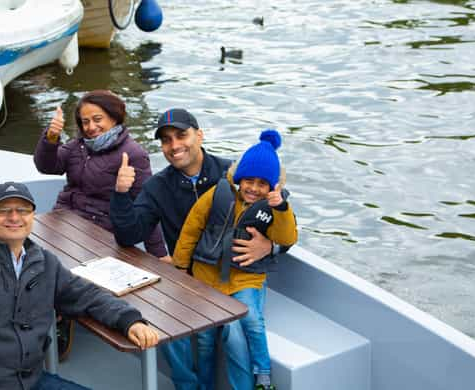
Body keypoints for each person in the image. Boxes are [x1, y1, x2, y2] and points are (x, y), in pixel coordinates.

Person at [110, 109, 286, 389]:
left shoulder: (235, 175)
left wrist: (271, 246)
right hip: (188, 278)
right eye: (166, 140)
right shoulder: (157, 186)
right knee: (162, 320)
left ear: (199, 135)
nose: (175, 145)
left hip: (237, 275)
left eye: (182, 135)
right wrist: (121, 195)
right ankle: (188, 385)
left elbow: (282, 222)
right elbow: (129, 234)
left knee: (232, 327)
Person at [0, 181, 160, 390]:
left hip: (32, 381)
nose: (14, 217)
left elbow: (86, 295)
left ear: (32, 216)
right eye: (4, 211)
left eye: (22, 210)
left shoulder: (43, 262)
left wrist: (129, 320)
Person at [33, 89, 167, 359]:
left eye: (98, 119)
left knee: (66, 271)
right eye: (85, 122)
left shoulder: (133, 154)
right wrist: (50, 137)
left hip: (101, 229)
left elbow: (147, 206)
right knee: (33, 257)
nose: (91, 127)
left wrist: (159, 253)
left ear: (115, 118)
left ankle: (61, 319)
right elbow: (48, 166)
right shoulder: (77, 146)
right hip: (63, 218)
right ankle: (43, 315)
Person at [173, 129, 298, 390]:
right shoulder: (218, 195)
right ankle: (205, 385)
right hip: (207, 279)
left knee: (251, 320)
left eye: (262, 184)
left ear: (272, 186)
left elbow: (287, 237)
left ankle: (263, 375)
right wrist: (180, 267)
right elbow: (191, 229)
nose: (254, 188)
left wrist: (281, 209)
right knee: (205, 339)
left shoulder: (276, 207)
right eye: (249, 181)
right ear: (239, 179)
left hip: (245, 279)